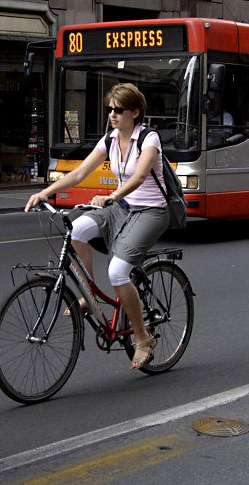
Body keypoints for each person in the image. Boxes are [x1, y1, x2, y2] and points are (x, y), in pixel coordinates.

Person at [25, 83, 170, 369]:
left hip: (150, 211)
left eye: (119, 110)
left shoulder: (148, 139)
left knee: (117, 272)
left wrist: (112, 196)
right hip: (121, 208)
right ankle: (88, 296)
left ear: (135, 111)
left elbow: (140, 177)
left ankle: (142, 338)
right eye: (110, 110)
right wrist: (45, 192)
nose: (113, 115)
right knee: (77, 229)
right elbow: (79, 172)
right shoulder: (110, 140)